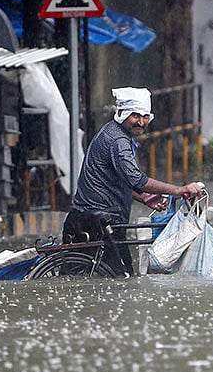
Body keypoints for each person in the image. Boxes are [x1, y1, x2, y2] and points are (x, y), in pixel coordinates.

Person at [63, 87, 205, 277]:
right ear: (121, 113)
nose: (141, 122)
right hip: (99, 221)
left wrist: (144, 197)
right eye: (135, 116)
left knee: (88, 281)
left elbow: (115, 180)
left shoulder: (112, 132)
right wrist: (179, 190)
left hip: (88, 218)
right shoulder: (118, 141)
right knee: (123, 279)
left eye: (145, 116)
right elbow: (136, 178)